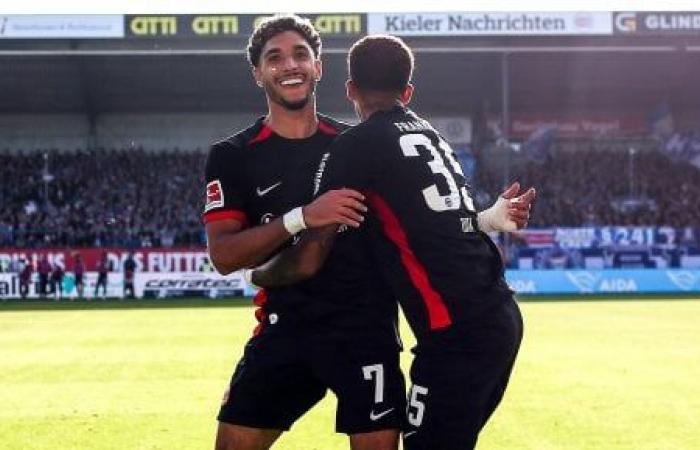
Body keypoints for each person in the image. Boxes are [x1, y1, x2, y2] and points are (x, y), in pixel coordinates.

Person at [249, 35, 536, 450]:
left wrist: (261, 272)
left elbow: (311, 256)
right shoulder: (430, 135)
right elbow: (446, 223)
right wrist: (491, 218)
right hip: (498, 315)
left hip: (455, 335)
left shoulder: (357, 145)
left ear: (350, 89)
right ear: (408, 92)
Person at [204, 15, 404, 450]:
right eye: (274, 58)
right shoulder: (232, 156)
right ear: (258, 74)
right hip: (286, 329)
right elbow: (223, 256)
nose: (289, 65)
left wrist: (485, 219)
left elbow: (414, 217)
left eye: (300, 55)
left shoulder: (359, 142)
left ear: (318, 66)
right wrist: (302, 217)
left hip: (365, 330)